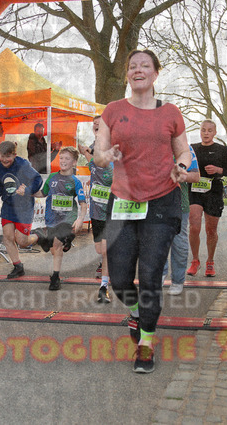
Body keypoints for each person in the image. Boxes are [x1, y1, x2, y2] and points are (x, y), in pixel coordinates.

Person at [94, 49, 193, 373]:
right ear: (128, 74)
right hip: (123, 201)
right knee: (121, 279)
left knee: (150, 276)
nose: (138, 70)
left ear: (155, 73)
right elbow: (98, 156)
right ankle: (136, 312)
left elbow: (184, 152)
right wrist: (107, 155)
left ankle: (146, 344)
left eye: (145, 65)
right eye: (133, 66)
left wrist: (180, 167)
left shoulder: (170, 112)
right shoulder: (113, 110)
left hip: (161, 201)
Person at [34, 146, 87, 291]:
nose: (63, 161)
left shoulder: (75, 181)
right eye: (61, 158)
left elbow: (83, 203)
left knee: (57, 244)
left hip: (67, 219)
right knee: (54, 250)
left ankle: (55, 277)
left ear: (74, 162)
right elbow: (42, 193)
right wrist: (28, 192)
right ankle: (64, 241)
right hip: (51, 219)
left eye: (67, 159)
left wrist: (80, 219)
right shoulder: (52, 177)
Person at [187, 119, 227, 278]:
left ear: (215, 133)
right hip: (195, 189)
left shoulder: (221, 149)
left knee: (211, 230)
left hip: (213, 190)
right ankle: (195, 260)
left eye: (209, 130)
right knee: (194, 225)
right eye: (203, 130)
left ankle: (210, 261)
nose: (206, 133)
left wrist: (218, 169)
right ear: (200, 131)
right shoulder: (192, 148)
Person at [0, 141, 44, 279]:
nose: (5, 160)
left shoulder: (23, 165)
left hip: (24, 208)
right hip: (8, 206)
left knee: (22, 241)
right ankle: (18, 266)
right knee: (7, 237)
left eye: (8, 156)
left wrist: (27, 190)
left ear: (14, 155)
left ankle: (39, 235)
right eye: (2, 156)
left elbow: (38, 180)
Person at [78, 116, 114, 303]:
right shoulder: (93, 151)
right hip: (96, 211)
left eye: (100, 126)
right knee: (100, 249)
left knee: (106, 250)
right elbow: (91, 161)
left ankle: (104, 287)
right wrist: (84, 151)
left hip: (111, 210)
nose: (97, 129)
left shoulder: (113, 153)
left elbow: (106, 168)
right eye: (95, 127)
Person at [164, 145, 201, 296]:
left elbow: (196, 176)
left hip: (179, 203)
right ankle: (158, 275)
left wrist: (181, 175)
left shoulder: (185, 149)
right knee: (155, 241)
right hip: (153, 202)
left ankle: (178, 280)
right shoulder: (150, 142)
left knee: (178, 242)